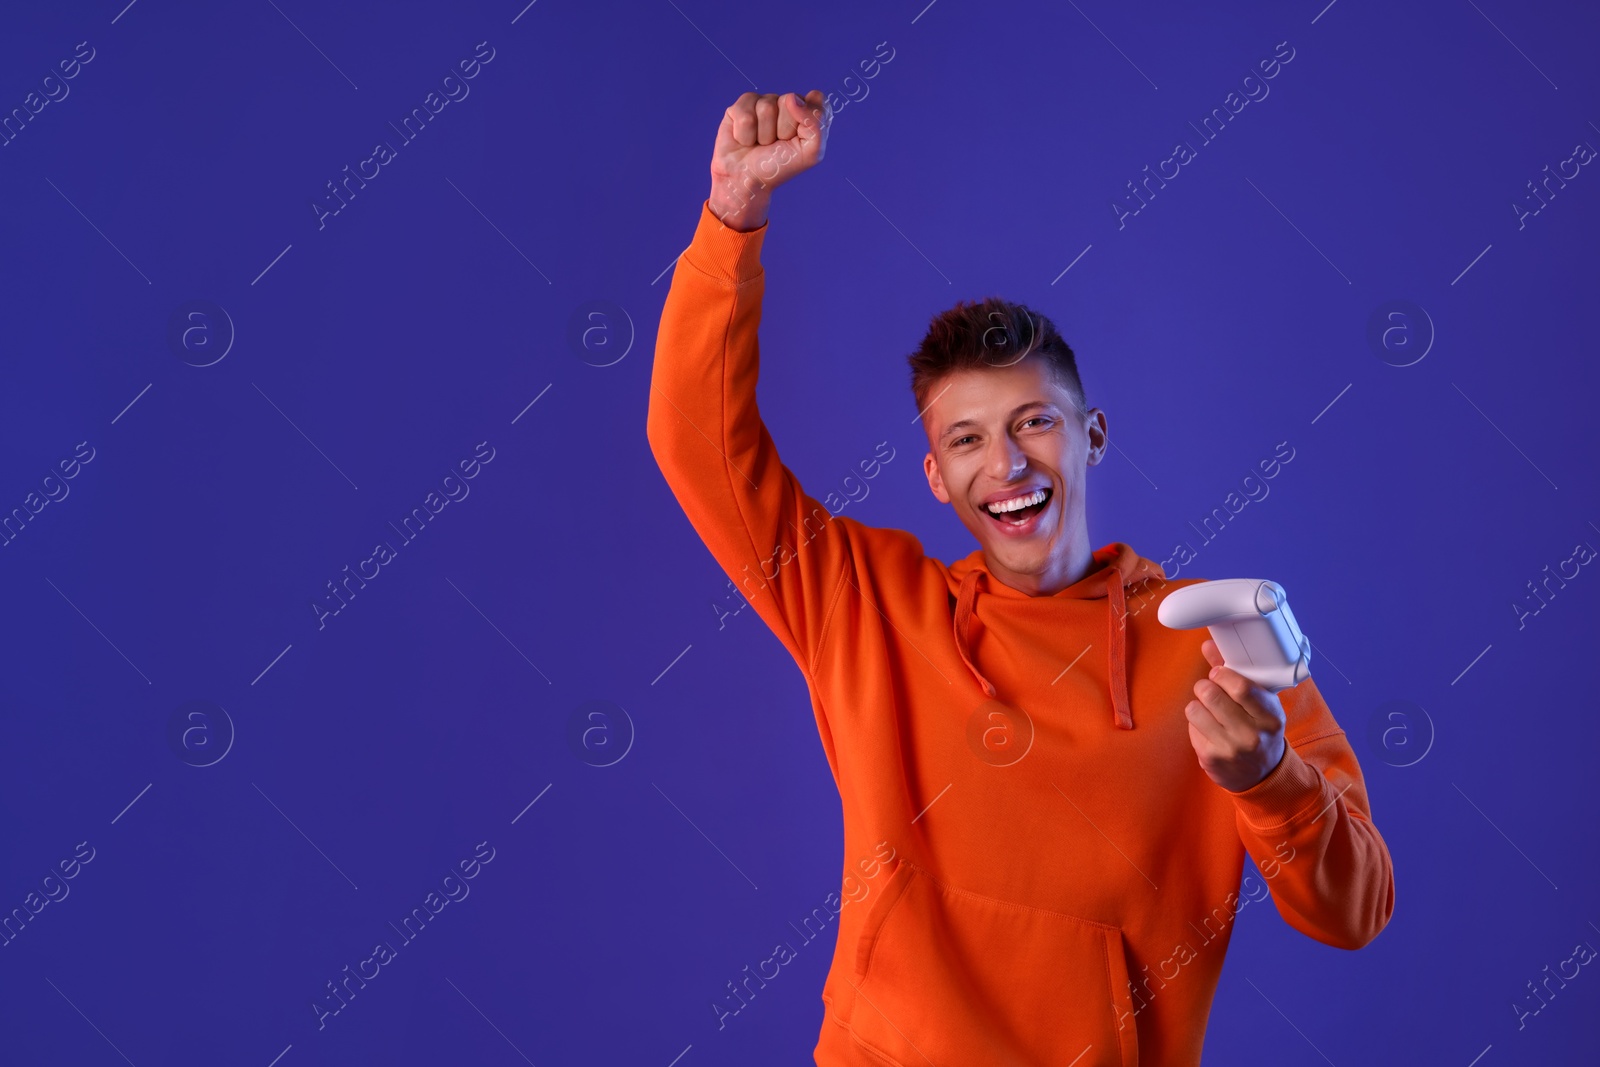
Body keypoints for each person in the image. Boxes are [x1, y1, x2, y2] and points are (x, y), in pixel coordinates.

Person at [647, 88, 1394, 1067]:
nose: (1005, 463)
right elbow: (695, 440)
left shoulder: (1216, 651)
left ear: (1091, 434)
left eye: (1033, 422)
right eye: (966, 439)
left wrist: (1269, 780)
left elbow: (1356, 908)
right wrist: (730, 216)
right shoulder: (863, 603)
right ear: (936, 476)